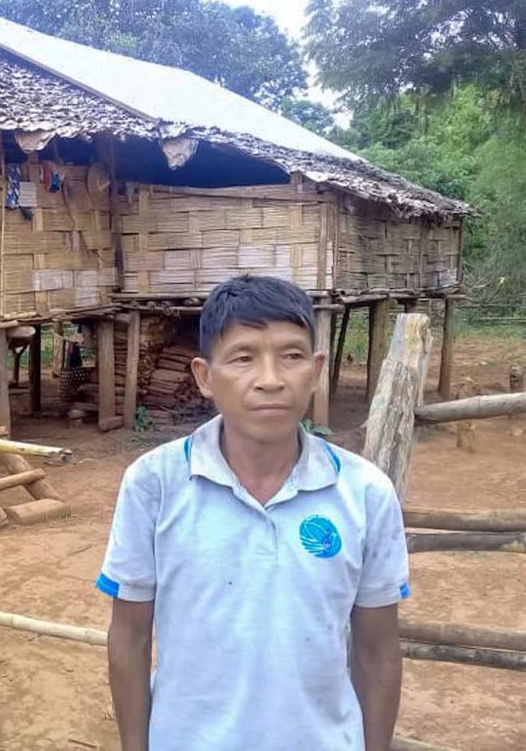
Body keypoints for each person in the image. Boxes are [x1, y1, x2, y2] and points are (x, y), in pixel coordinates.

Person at [96, 275, 409, 751]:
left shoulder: (365, 493)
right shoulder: (154, 484)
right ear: (204, 377)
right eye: (244, 358)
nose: (271, 379)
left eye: (292, 356)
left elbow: (377, 651)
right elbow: (130, 637)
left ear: (316, 367)